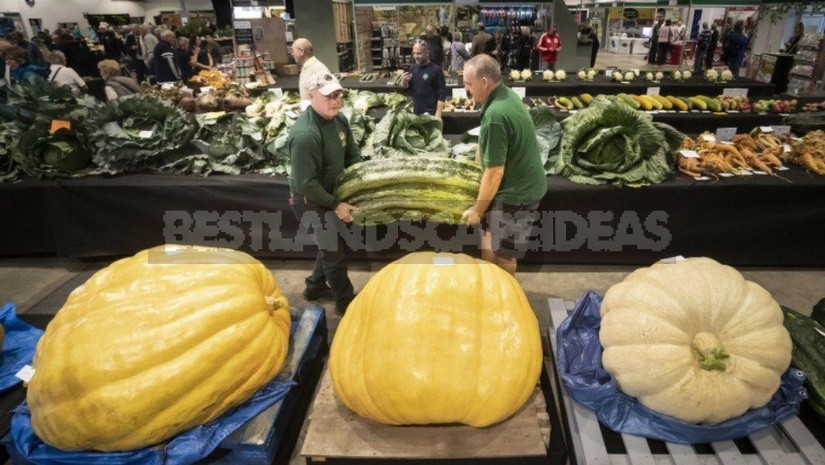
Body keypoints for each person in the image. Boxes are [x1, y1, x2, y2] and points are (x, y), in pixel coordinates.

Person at [460, 55, 547, 276]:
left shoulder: (496, 114)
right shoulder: (505, 95)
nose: (465, 89)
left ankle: (507, 298)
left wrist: (478, 211)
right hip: (517, 186)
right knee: (489, 237)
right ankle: (490, 285)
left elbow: (495, 172)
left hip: (517, 195)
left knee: (505, 254)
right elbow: (487, 143)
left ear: (485, 82)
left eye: (468, 84)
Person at [287, 72, 360, 314]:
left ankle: (314, 287)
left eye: (338, 94)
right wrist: (336, 204)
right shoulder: (306, 135)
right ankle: (346, 303)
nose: (336, 100)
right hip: (309, 200)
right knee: (333, 253)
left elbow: (352, 154)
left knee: (328, 246)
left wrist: (354, 186)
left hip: (330, 192)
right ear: (311, 96)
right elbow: (306, 183)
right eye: (329, 96)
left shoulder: (339, 120)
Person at [399, 41, 447, 118]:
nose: (415, 56)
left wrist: (438, 114)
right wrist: (404, 83)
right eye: (414, 53)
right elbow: (409, 90)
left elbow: (441, 94)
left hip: (431, 114)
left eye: (419, 53)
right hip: (416, 113)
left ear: (427, 53)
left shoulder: (436, 70)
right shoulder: (412, 69)